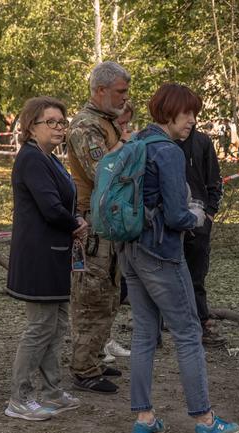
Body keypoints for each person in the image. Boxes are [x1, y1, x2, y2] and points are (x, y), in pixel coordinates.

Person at [119, 83, 239, 433]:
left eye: (194, 114)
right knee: (188, 333)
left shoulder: (135, 143)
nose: (192, 121)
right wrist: (197, 217)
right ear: (168, 112)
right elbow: (174, 215)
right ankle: (205, 420)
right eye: (187, 113)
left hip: (131, 249)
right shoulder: (167, 152)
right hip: (160, 252)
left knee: (144, 333)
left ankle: (144, 418)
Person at [4, 97, 88, 421]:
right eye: (49, 122)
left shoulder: (50, 158)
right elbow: (51, 207)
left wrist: (74, 219)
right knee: (39, 327)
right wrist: (76, 223)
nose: (57, 127)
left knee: (56, 326)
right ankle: (19, 397)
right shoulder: (31, 159)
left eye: (61, 122)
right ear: (31, 127)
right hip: (37, 258)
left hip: (56, 256)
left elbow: (65, 201)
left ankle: (52, 391)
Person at [66, 61, 130, 394]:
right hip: (90, 224)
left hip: (108, 221)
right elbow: (103, 171)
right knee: (91, 295)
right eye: (120, 91)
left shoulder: (106, 123)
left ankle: (93, 359)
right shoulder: (85, 126)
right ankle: (82, 368)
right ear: (100, 90)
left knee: (109, 294)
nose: (125, 97)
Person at [176, 125, 225, 347]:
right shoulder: (160, 142)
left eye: (192, 114)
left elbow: (215, 180)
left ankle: (202, 324)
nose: (188, 120)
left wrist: (209, 213)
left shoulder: (202, 142)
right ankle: (155, 329)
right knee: (163, 277)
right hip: (167, 223)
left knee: (196, 276)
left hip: (198, 223)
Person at [99, 101, 136, 363]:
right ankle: (97, 345)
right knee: (98, 289)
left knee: (114, 288)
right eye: (121, 123)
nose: (125, 128)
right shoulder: (100, 137)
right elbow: (105, 170)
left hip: (118, 217)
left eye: (127, 123)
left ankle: (106, 338)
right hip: (102, 217)